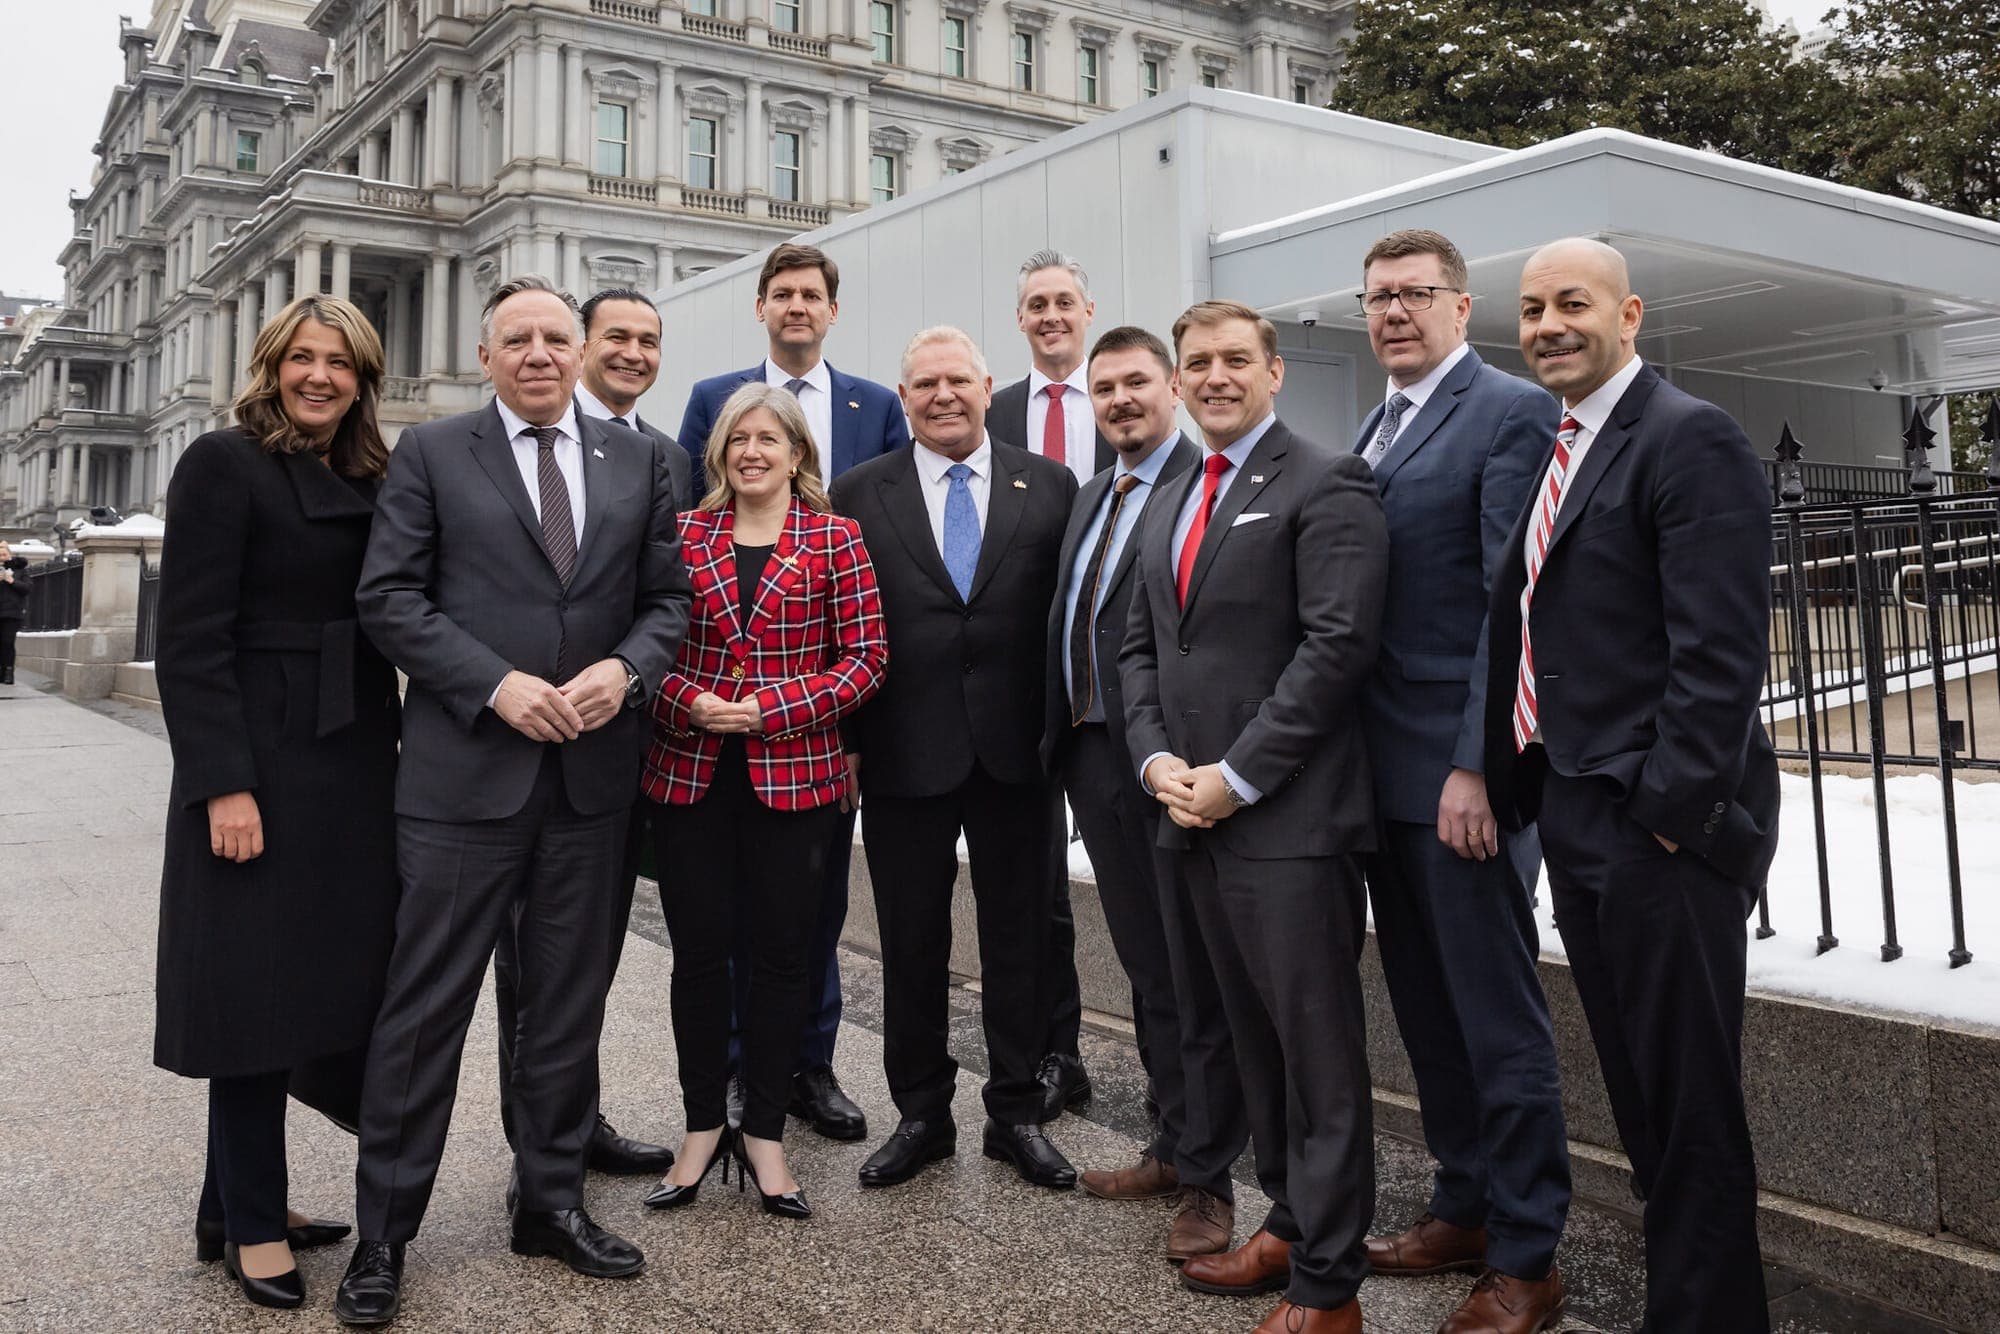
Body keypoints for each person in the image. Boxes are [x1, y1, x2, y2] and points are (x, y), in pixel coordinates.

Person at [336, 276, 691, 1326]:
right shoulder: (433, 453)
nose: (538, 353)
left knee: (563, 1010)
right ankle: (384, 1232)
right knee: (423, 1013)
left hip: (589, 787)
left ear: (580, 351)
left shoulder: (640, 460)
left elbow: (668, 599)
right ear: (486, 355)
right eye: (516, 339)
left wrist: (624, 671)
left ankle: (548, 1202)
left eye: (554, 336)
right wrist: (495, 683)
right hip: (459, 785)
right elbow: (387, 598)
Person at [1488, 237, 1779, 1333]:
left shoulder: (1686, 437)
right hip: (1573, 809)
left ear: (1629, 313)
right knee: (1643, 1101)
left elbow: (1720, 653)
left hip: (1657, 829)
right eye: (1530, 308)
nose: (1548, 323)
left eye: (1572, 302)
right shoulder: (1552, 445)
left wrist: (1665, 817)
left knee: (1690, 1108)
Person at [1121, 300, 1389, 1334]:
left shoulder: (1327, 482)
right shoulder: (1176, 488)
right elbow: (1140, 645)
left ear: (1273, 370)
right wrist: (1154, 761)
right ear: (1178, 381)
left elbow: (1334, 652)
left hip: (1286, 820)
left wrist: (1235, 774)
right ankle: (1285, 1219)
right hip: (1187, 816)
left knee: (1315, 1053)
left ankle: (1328, 1288)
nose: (1215, 376)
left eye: (1236, 359)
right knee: (1249, 1044)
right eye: (1197, 363)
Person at [151, 295, 402, 1311]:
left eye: (339, 362)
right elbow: (192, 636)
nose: (319, 376)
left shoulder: (372, 471)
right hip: (256, 759)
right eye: (302, 357)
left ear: (363, 376)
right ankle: (254, 1221)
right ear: (271, 363)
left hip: (351, 760)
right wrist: (224, 783)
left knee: (320, 987)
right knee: (249, 996)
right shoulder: (223, 460)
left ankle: (228, 1199)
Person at [1349, 229, 1572, 1334]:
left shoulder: (1504, 411)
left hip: (1457, 777)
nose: (1393, 312)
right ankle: (1464, 1203)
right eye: (1377, 297)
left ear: (1459, 305)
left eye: (1413, 294)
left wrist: (1476, 766)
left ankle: (1528, 1251)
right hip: (1380, 778)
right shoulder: (1375, 422)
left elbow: (1509, 603)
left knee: (1492, 1014)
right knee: (1427, 1011)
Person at [830, 326, 1081, 1191]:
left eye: (957, 381)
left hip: (1020, 757)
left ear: (987, 386)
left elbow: (1068, 619)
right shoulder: (858, 493)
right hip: (903, 755)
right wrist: (850, 746)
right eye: (924, 383)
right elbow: (838, 629)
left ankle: (1014, 1111)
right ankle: (922, 1114)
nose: (942, 396)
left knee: (1021, 943)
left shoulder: (1050, 485)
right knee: (912, 941)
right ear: (903, 399)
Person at [637, 382, 888, 1220]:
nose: (751, 451)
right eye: (737, 438)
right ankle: (703, 1125)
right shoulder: (683, 534)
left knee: (786, 959)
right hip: (690, 776)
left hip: (798, 780)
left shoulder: (837, 537)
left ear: (796, 453)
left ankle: (767, 1134)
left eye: (767, 439)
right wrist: (689, 703)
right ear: (718, 453)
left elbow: (865, 659)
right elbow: (645, 643)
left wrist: (770, 708)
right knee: (700, 958)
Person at [675, 243, 908, 1142]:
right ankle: (734, 1076)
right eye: (782, 294)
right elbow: (679, 586)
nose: (797, 307)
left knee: (809, 918)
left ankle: (808, 1065)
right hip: (704, 748)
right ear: (762, 307)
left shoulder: (874, 406)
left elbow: (873, 581)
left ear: (832, 310)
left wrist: (844, 726)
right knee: (718, 929)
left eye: (812, 295)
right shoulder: (713, 399)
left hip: (813, 736)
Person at [1041, 325, 1247, 1262]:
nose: (1120, 400)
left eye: (1136, 383)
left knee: (1193, 975)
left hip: (1172, 768)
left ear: (1170, 387)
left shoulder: (1199, 487)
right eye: (1104, 388)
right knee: (1147, 968)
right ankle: (1174, 1144)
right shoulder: (1094, 495)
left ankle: (1210, 1181)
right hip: (1095, 761)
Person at [489, 285, 690, 1185]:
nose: (632, 354)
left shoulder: (661, 458)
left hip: (622, 749)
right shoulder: (486, 447)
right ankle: (539, 1141)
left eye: (649, 341)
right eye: (616, 336)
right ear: (581, 345)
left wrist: (632, 673)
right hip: (508, 752)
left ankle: (575, 1116)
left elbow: (665, 593)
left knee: (587, 958)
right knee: (528, 966)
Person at [986, 248, 1111, 1119]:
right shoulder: (985, 414)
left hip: (1113, 688)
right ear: (1020, 319)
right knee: (1036, 889)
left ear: (1088, 309)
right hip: (1016, 691)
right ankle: (1053, 1050)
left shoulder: (1128, 403)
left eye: (1064, 301)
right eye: (1036, 304)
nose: (1051, 315)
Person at [0, 542, 28, 684]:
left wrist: (11, 580)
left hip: (12, 613)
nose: (2, 558)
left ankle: (9, 672)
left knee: (7, 642)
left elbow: (27, 588)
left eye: (4, 554)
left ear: (9, 555)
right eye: (0, 555)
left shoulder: (20, 570)